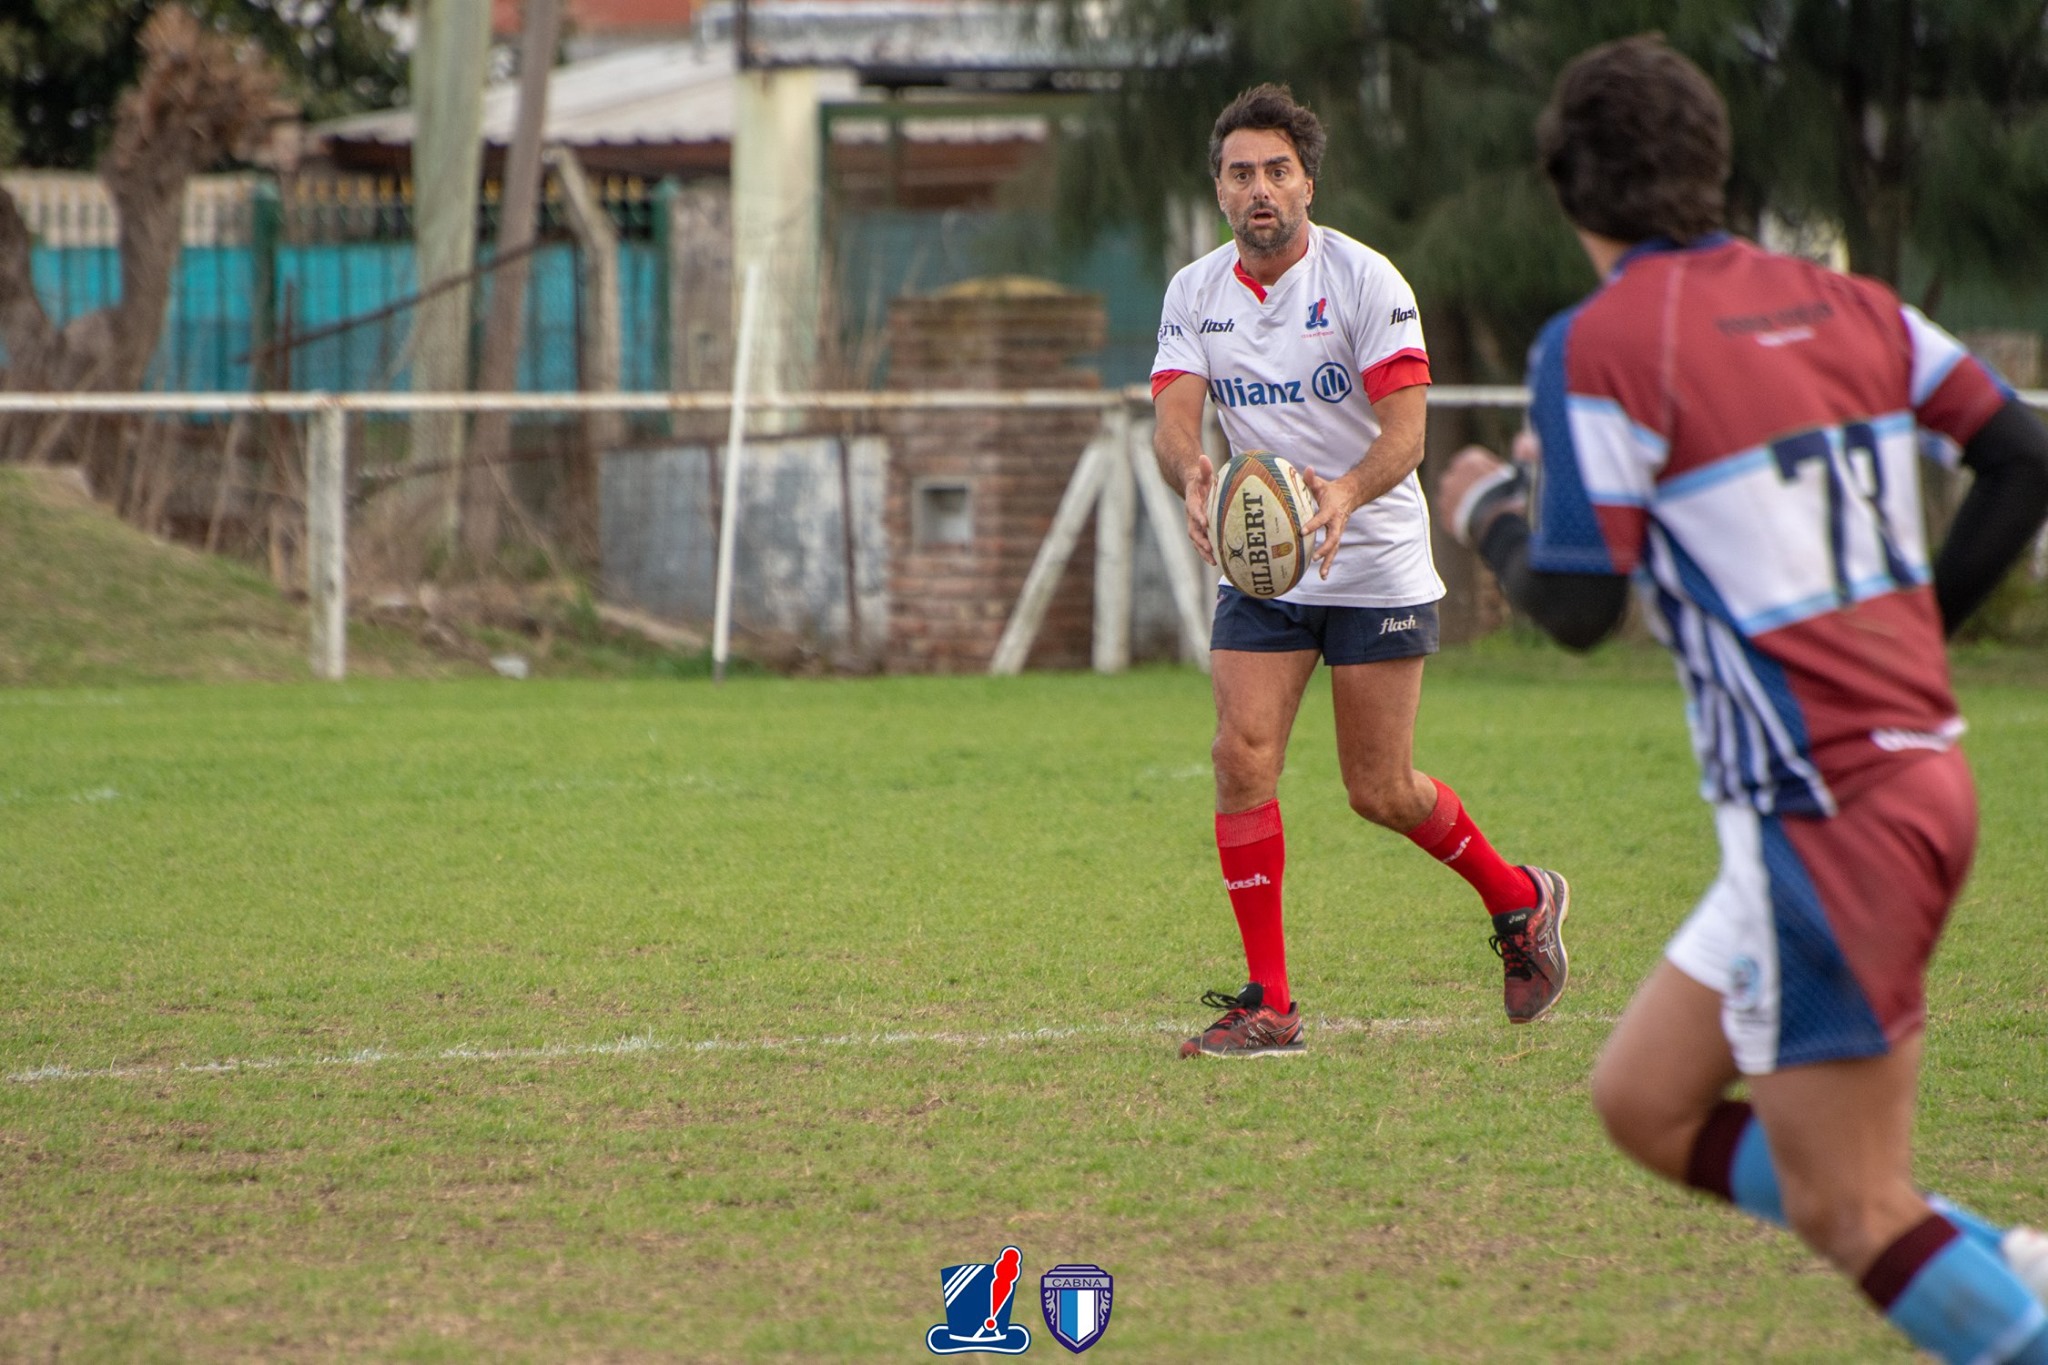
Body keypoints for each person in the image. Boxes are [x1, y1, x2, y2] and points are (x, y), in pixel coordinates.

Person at [1436, 35, 2048, 1361]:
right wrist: (1919, 635)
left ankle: (2004, 1309)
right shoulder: (1850, 303)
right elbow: (2020, 453)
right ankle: (1996, 1265)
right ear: (1711, 164)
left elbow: (1579, 605)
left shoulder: (1598, 340)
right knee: (1643, 1101)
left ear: (1566, 186)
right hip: (1897, 783)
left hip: (1825, 814)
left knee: (1851, 1207)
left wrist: (1484, 509)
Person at [1150, 83, 1570, 1059]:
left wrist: (1339, 496)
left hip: (1372, 557)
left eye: (1277, 171)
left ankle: (1519, 899)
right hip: (1265, 566)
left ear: (1308, 183)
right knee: (1239, 758)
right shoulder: (1194, 292)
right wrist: (1193, 473)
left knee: (1380, 789)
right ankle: (1270, 1002)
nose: (1259, 189)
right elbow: (1173, 416)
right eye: (1241, 174)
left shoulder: (1365, 280)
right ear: (1219, 190)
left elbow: (1407, 435)